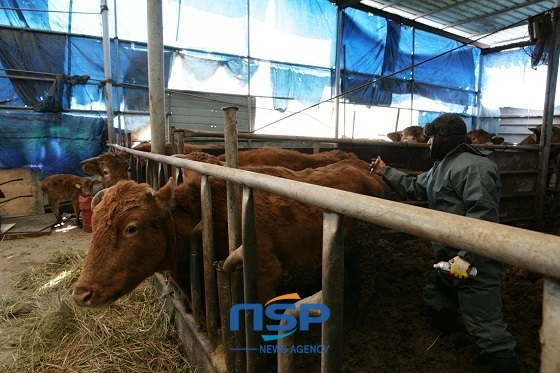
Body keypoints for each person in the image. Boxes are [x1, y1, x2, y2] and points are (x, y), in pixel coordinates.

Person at [370, 113, 519, 372]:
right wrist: (386, 172)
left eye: (431, 138)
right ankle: (447, 337)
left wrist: (465, 261)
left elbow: (483, 221)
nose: (427, 143)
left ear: (446, 138)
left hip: (473, 263)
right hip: (447, 258)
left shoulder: (475, 168)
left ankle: (504, 363)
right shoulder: (443, 165)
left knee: (488, 331)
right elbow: (417, 187)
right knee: (436, 300)